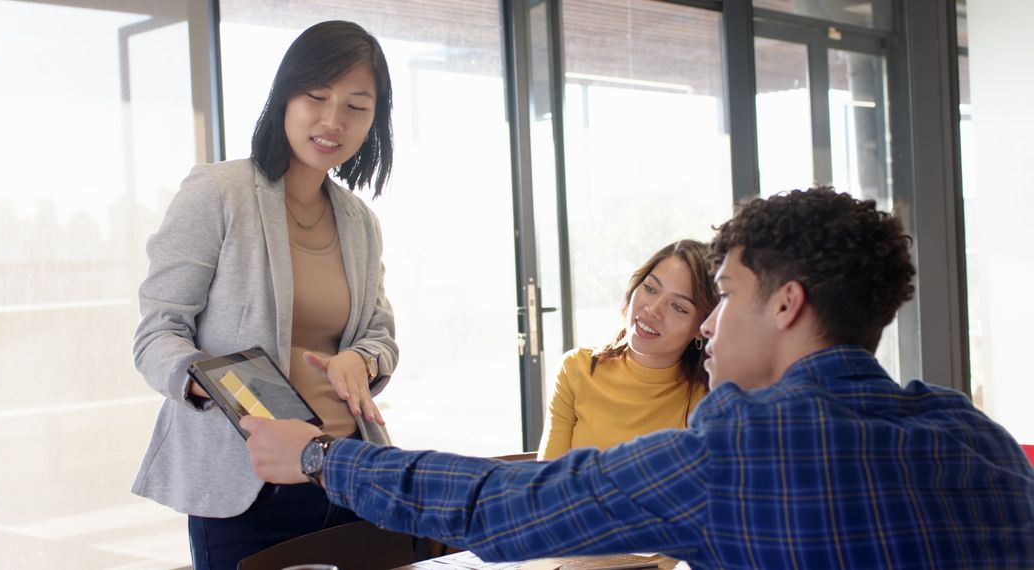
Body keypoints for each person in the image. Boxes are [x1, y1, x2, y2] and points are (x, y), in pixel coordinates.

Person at [242, 188, 1034, 568]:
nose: (712, 324)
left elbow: (506, 504)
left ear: (788, 305)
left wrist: (319, 457)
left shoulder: (740, 451)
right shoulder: (976, 440)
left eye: (722, 296)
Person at [132, 21, 398, 569]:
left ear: (374, 121)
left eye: (356, 106)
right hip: (245, 482)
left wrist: (360, 358)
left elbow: (380, 334)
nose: (332, 121)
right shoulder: (218, 192)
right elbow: (157, 334)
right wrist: (223, 390)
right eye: (316, 97)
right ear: (284, 97)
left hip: (346, 471)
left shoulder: (360, 221)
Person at [539, 240, 716, 460]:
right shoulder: (576, 370)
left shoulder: (710, 399)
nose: (653, 310)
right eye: (650, 288)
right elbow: (546, 484)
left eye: (678, 307)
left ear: (703, 327)